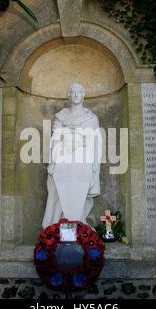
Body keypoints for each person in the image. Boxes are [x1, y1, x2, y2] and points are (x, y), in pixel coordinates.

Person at [42, 83, 102, 228]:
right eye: (73, 92)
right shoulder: (61, 116)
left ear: (83, 95)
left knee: (79, 192)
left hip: (83, 160)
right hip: (63, 159)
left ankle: (78, 223)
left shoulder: (91, 118)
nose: (76, 95)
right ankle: (57, 225)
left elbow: (95, 142)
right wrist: (52, 162)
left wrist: (94, 164)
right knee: (58, 193)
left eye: (79, 92)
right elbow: (55, 139)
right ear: (69, 95)